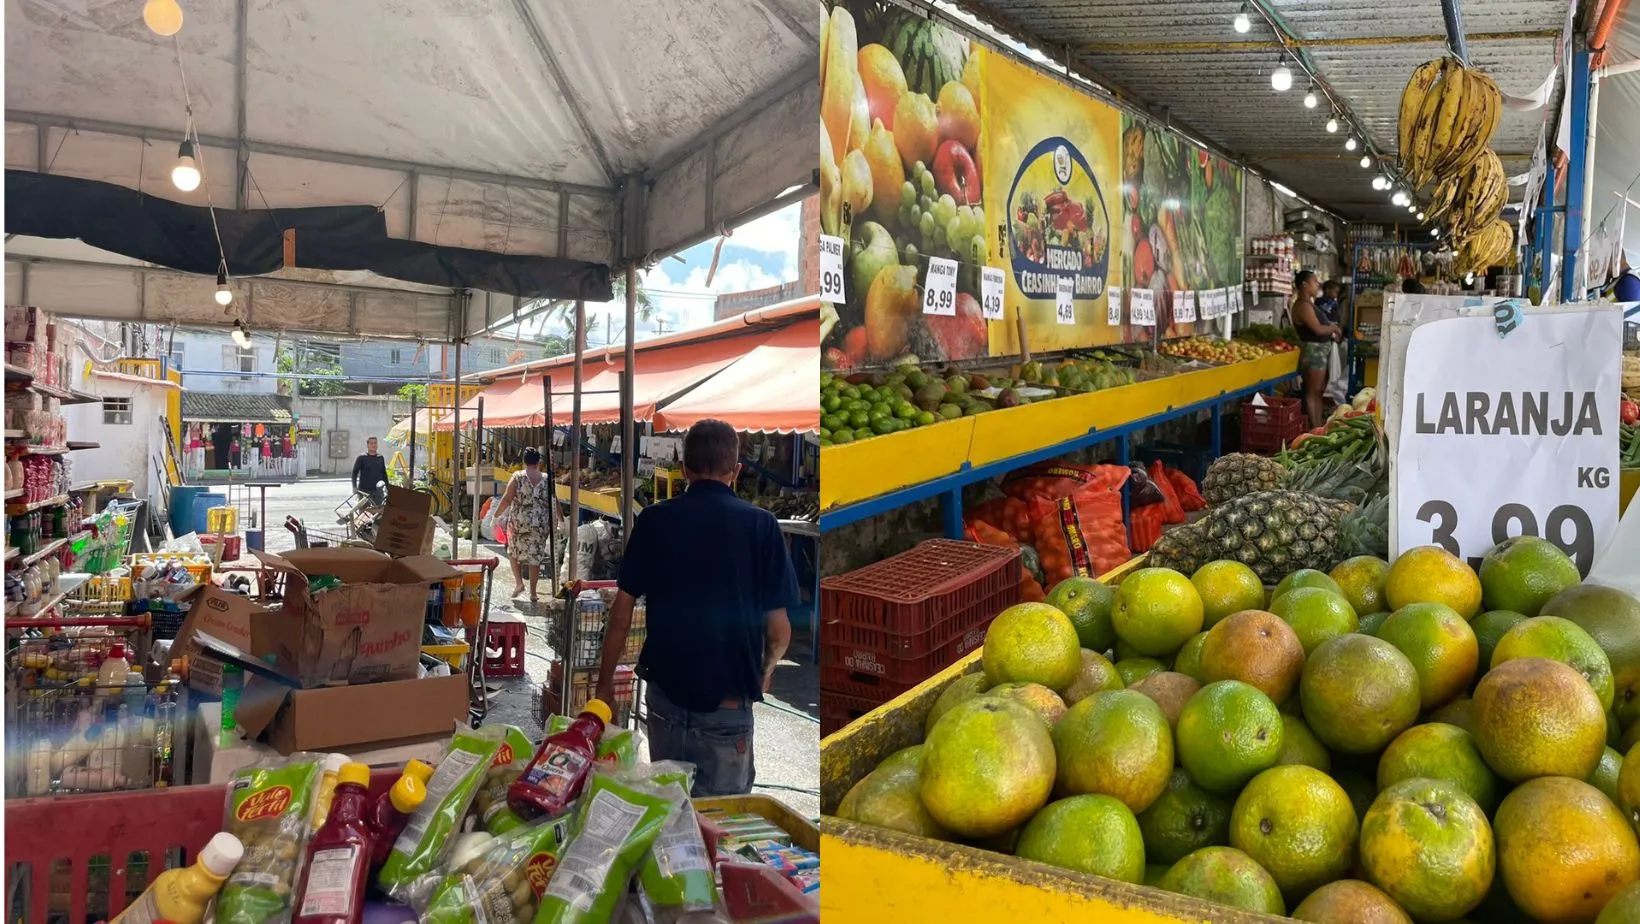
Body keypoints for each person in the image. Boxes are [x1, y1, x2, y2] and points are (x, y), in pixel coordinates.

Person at [595, 419, 797, 797]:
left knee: (670, 814)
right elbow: (779, 630)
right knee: (722, 827)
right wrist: (766, 668)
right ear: (735, 471)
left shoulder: (654, 520)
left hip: (664, 701)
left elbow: (621, 613)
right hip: (727, 706)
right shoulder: (762, 526)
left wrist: (605, 682)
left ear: (683, 469)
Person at [491, 447, 554, 603]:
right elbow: (554, 500)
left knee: (513, 552)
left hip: (520, 523)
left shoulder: (518, 477)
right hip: (540, 524)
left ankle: (519, 583)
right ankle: (533, 592)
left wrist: (496, 516)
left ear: (524, 462)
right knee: (535, 557)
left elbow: (506, 499)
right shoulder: (547, 478)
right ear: (539, 462)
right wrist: (560, 518)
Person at [1289, 270, 1343, 429]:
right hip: (1313, 353)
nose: (1317, 284)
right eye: (1314, 281)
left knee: (1318, 391)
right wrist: (1334, 329)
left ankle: (1319, 425)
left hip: (1319, 352)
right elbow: (1318, 329)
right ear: (1304, 285)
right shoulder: (1302, 306)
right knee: (1313, 393)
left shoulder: (1309, 303)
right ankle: (1314, 428)